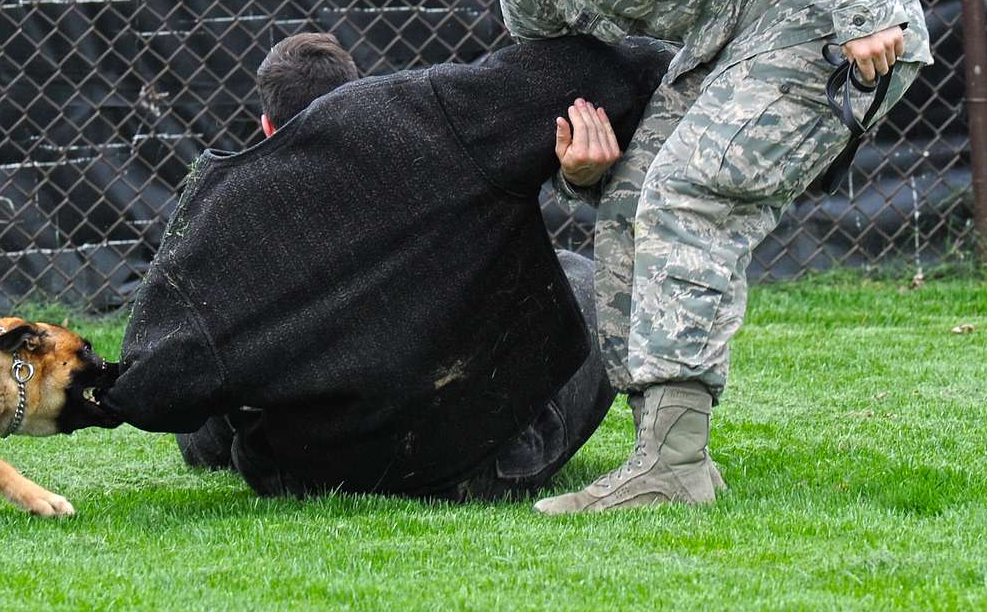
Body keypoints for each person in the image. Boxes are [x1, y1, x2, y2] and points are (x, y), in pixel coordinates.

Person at [368, 0, 932, 512]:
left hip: (822, 12)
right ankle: (659, 457)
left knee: (686, 193)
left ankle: (674, 467)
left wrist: (866, 7)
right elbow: (581, 116)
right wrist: (583, 171)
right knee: (631, 202)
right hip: (724, 50)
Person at [98, 30, 673, 503]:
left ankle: (224, 440)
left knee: (223, 332)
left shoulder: (227, 208)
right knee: (577, 276)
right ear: (356, 94)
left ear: (266, 127)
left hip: (301, 470)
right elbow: (598, 69)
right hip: (469, 465)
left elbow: (153, 384)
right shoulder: (434, 124)